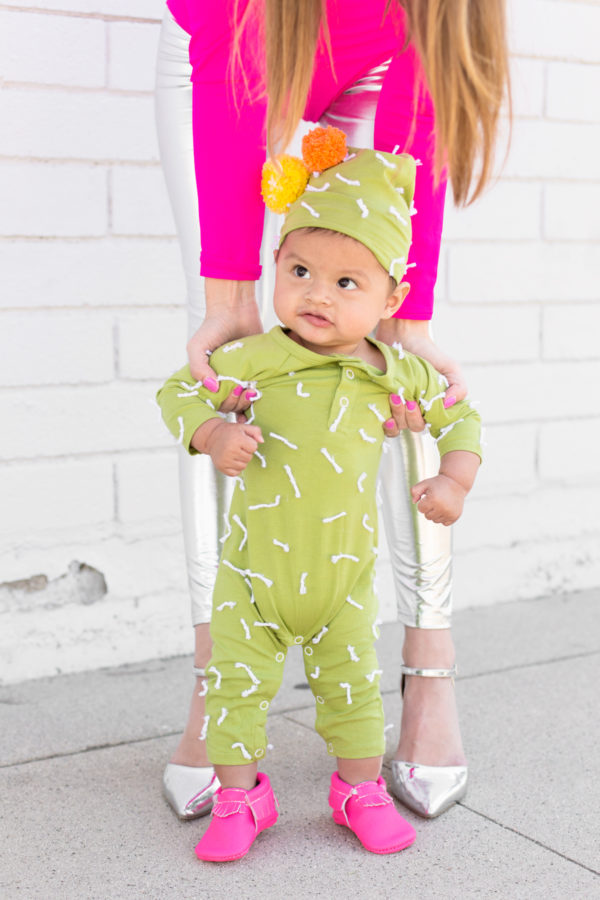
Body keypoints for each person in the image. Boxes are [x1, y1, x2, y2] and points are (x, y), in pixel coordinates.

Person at [155, 0, 509, 821]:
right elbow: (233, 45)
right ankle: (222, 679)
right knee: (226, 353)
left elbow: (437, 58)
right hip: (229, 43)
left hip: (393, 51)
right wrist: (228, 295)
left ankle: (429, 671)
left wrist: (408, 317)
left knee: (390, 358)